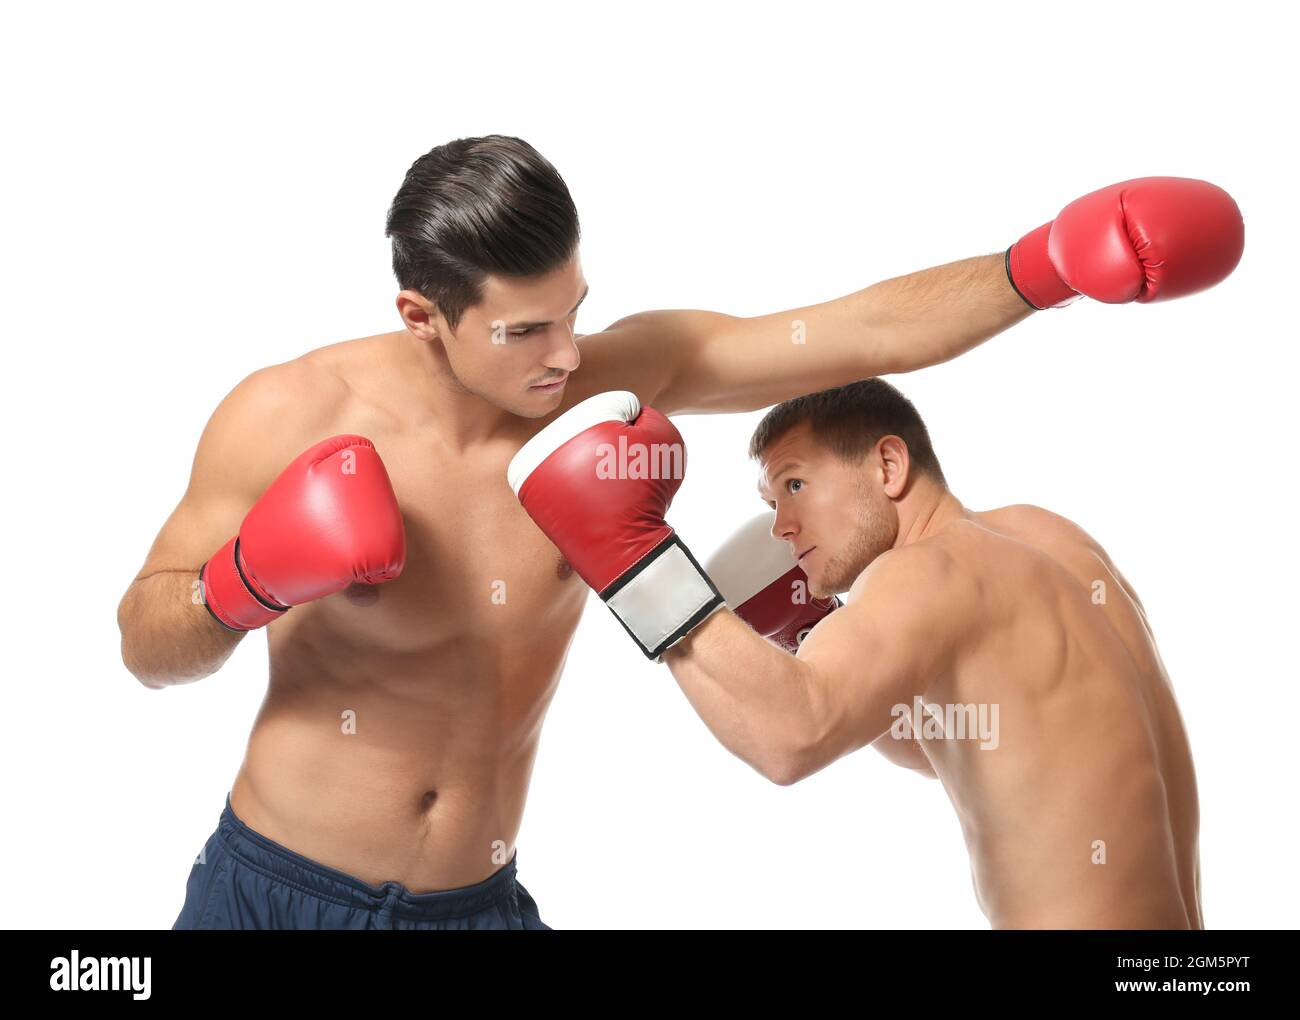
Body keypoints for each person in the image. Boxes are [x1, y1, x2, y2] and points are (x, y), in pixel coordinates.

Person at [118, 133, 1239, 929]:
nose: (564, 357)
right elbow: (146, 643)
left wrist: (1041, 266)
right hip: (275, 890)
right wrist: (244, 579)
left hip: (475, 901)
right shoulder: (287, 411)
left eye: (576, 310)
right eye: (522, 330)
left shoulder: (607, 375)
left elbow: (857, 333)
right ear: (422, 316)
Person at [508, 380, 1203, 928]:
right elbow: (964, 745)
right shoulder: (1049, 540)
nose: (781, 526)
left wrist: (638, 563)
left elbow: (790, 739)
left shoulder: (924, 574)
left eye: (795, 484)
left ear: (888, 464)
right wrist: (813, 640)